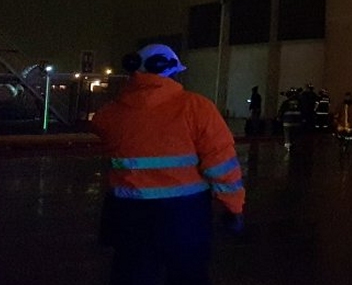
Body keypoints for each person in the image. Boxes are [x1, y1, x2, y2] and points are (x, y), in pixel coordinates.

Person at [92, 44, 245, 285]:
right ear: (170, 70)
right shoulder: (197, 107)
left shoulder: (111, 113)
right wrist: (233, 208)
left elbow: (104, 130)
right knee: (188, 276)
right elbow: (221, 163)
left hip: (129, 215)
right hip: (185, 216)